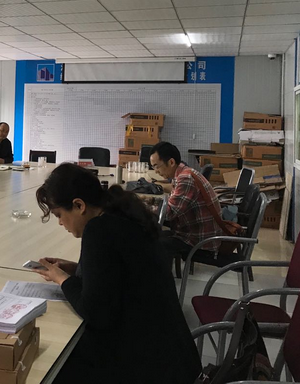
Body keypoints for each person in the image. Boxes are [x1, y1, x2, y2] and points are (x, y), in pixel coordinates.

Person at [32, 163, 201, 384]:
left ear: (79, 205)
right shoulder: (121, 215)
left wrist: (62, 279)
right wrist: (78, 268)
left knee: (50, 365)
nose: (61, 223)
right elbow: (116, 272)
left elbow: (96, 313)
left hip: (147, 367)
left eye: (59, 215)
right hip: (173, 357)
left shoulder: (98, 230)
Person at [149, 142, 224, 269]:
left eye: (157, 166)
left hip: (200, 241)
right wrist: (151, 201)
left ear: (171, 162)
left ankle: (162, 279)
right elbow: (173, 203)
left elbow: (169, 213)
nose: (156, 171)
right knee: (152, 236)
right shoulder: (183, 173)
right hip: (192, 232)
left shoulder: (185, 179)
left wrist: (143, 208)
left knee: (152, 242)